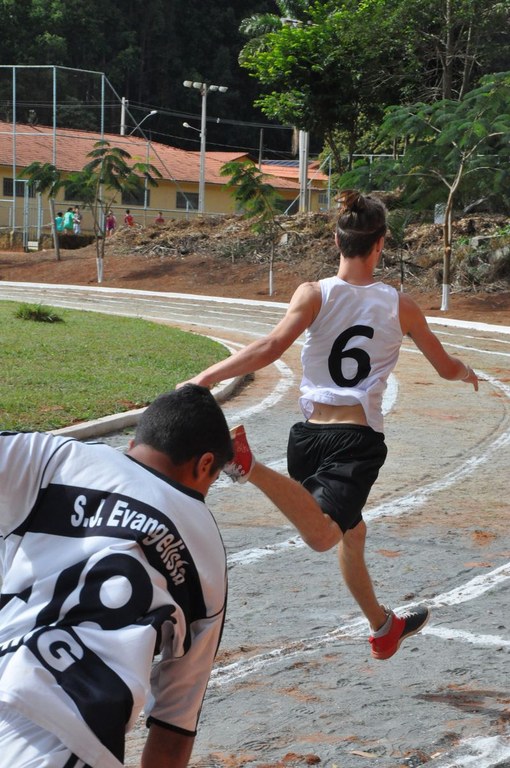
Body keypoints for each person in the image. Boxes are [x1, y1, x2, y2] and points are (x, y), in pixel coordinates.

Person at [181, 189, 479, 661]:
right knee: (324, 535)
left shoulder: (312, 293)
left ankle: (383, 627)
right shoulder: (400, 305)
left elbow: (272, 346)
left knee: (351, 533)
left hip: (307, 438)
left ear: (338, 242)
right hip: (356, 441)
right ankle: (245, 463)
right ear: (380, 245)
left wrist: (205, 376)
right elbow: (445, 367)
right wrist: (466, 373)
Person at [0, 385, 233, 768]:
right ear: (205, 463)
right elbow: (173, 729)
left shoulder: (57, 456)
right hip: (67, 730)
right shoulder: (206, 549)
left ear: (132, 443)